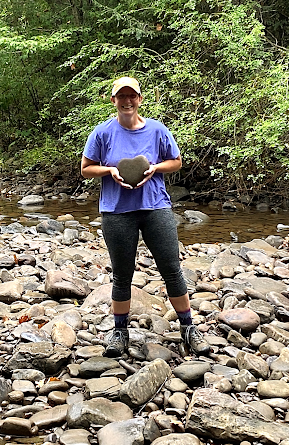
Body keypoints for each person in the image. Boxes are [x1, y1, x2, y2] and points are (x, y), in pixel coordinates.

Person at [81, 76, 210, 357]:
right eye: (121, 96)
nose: (127, 101)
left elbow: (175, 161)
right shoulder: (102, 133)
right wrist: (110, 171)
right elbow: (86, 168)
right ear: (113, 100)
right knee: (122, 275)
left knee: (172, 270)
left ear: (140, 99)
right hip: (116, 211)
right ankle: (119, 332)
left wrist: (155, 168)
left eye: (132, 96)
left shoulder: (157, 130)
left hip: (155, 207)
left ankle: (188, 328)